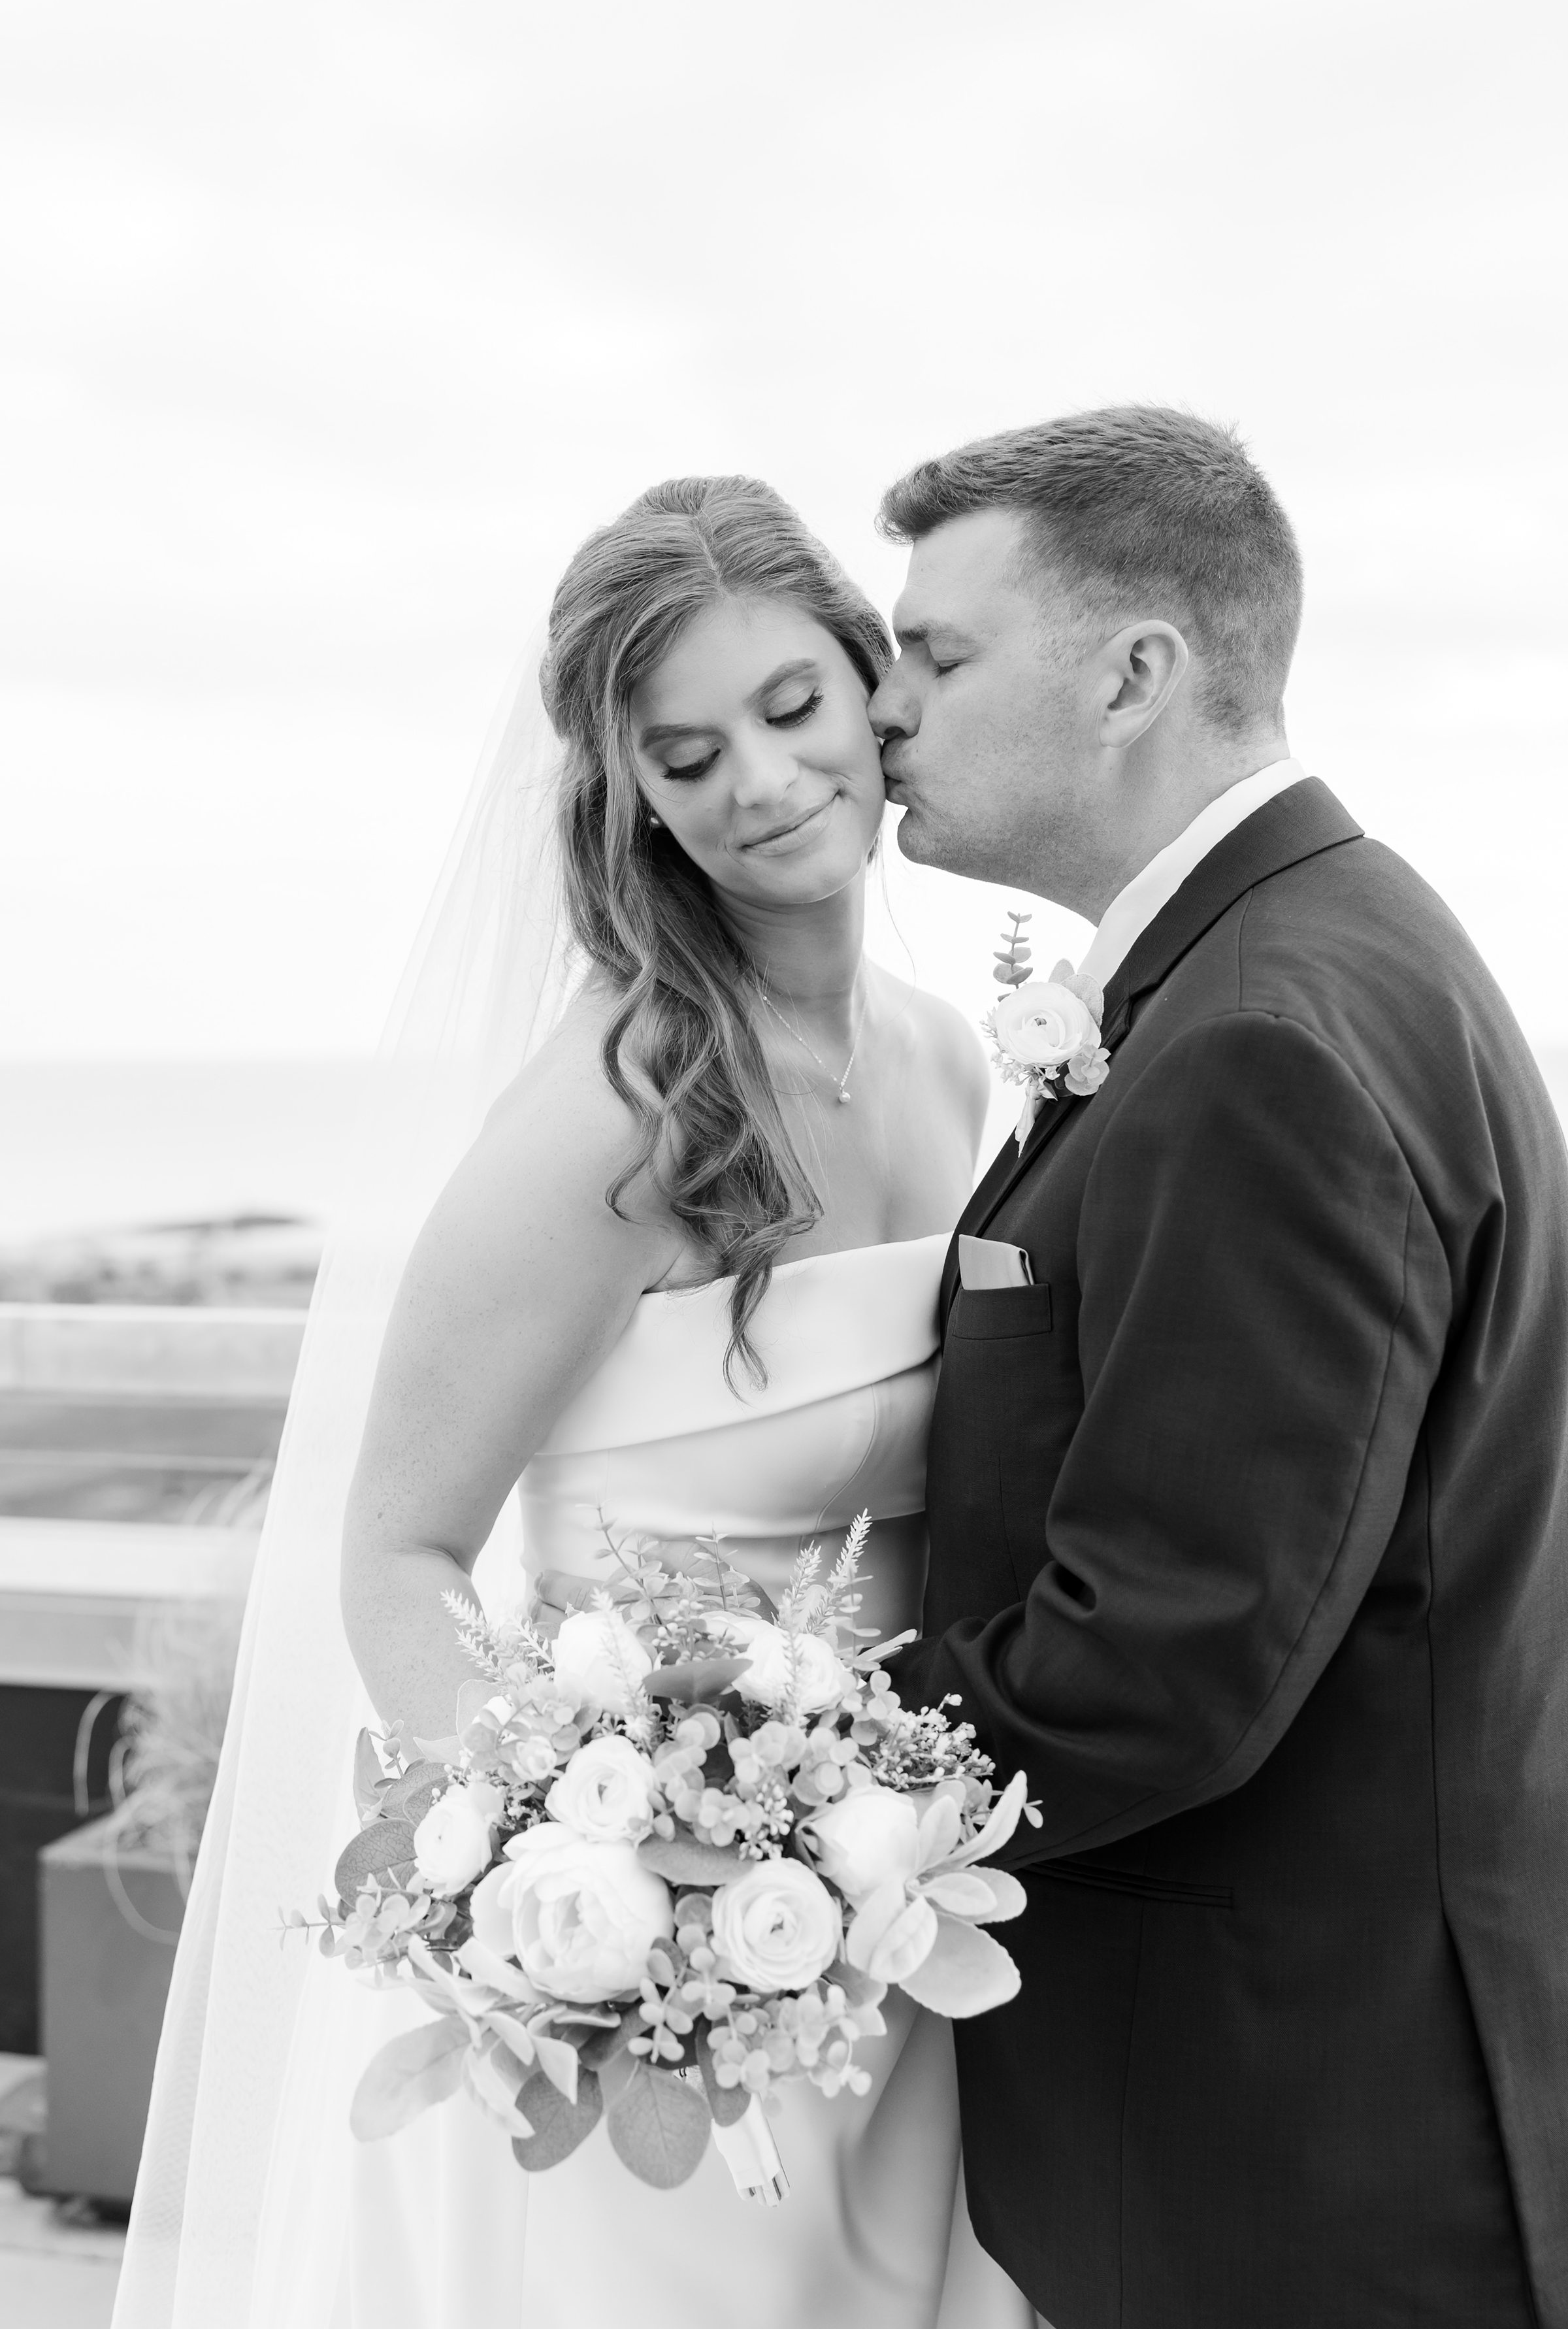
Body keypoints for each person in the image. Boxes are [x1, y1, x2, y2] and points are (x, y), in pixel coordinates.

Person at [871, 406, 1568, 2328]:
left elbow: (1165, 1654)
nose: (882, 705)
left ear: (1135, 673)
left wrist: (782, 1791)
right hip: (1313, 2099)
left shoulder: (1257, 1035)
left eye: (936, 654)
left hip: (1288, 2156)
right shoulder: (1309, 954)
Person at [319, 476, 1034, 2328]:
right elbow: (397, 1552)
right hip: (657, 2016)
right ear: (629, 791)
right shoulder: (616, 1115)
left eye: (794, 711)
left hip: (902, 1927)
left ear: (875, 685)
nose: (763, 785)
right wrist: (585, 1886)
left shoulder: (963, 1065)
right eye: (687, 753)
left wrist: (846, 1867)